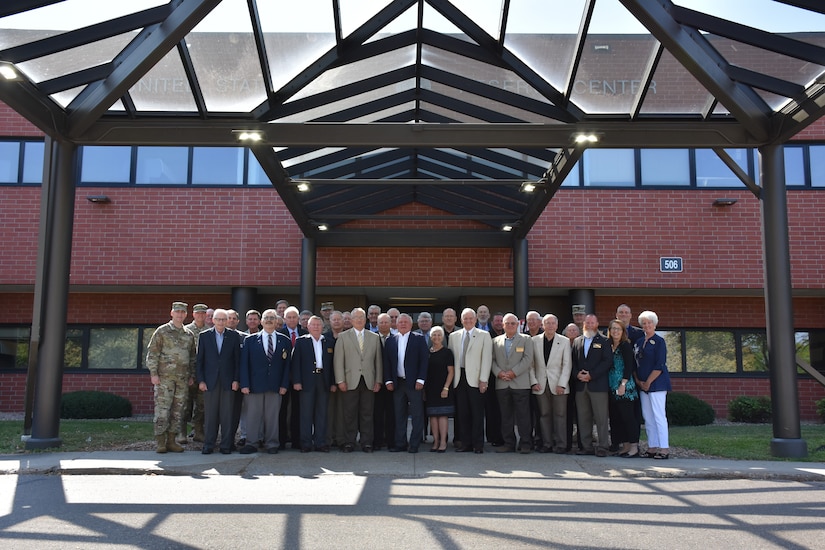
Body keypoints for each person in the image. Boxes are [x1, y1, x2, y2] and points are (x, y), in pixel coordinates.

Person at [146, 301, 196, 453]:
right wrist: (153, 373)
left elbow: (192, 357)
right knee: (162, 409)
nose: (180, 314)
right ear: (172, 313)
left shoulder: (189, 334)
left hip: (182, 379)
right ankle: (160, 442)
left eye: (183, 312)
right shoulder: (162, 331)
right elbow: (152, 353)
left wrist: (191, 375)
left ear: (186, 315)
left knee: (178, 410)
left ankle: (172, 441)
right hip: (164, 378)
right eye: (177, 311)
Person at [239, 309, 291, 454]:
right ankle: (251, 443)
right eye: (266, 318)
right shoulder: (250, 340)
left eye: (272, 318)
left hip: (275, 386)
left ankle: (272, 444)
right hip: (254, 385)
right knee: (253, 416)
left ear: (277, 322)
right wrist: (244, 384)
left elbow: (287, 366)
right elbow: (244, 364)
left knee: (272, 417)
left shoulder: (284, 340)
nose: (269, 320)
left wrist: (284, 384)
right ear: (261, 321)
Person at [333, 307, 383, 452]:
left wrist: (378, 380)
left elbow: (377, 361)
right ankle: (349, 442)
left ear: (365, 319)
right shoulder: (343, 337)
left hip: (368, 380)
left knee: (367, 413)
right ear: (352, 320)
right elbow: (338, 361)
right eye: (356, 317)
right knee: (349, 413)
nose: (359, 320)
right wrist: (340, 380)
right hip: (349, 381)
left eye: (361, 317)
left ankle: (366, 442)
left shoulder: (374, 337)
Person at [195, 308, 241, 455]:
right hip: (210, 381)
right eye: (218, 319)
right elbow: (199, 361)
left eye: (223, 319)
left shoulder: (233, 336)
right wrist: (201, 380)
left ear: (227, 321)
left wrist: (236, 380)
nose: (221, 322)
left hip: (228, 382)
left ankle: (226, 445)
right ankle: (209, 445)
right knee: (211, 416)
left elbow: (237, 361)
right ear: (213, 320)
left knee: (227, 415)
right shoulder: (204, 336)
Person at [448, 308, 492, 453]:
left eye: (470, 318)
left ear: (475, 320)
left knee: (477, 413)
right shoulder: (454, 336)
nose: (468, 321)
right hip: (459, 378)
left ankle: (478, 445)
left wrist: (484, 380)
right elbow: (451, 359)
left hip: (476, 379)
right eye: (465, 318)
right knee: (463, 413)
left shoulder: (484, 335)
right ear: (461, 320)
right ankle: (466, 444)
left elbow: (486, 359)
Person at [384, 313, 430, 453]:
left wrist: (421, 379)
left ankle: (414, 444)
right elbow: (387, 362)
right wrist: (388, 380)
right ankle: (400, 443)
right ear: (396, 324)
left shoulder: (419, 339)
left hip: (414, 383)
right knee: (399, 414)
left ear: (411, 325)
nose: (403, 324)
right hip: (398, 383)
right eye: (400, 322)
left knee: (417, 414)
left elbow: (424, 361)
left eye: (406, 322)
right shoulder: (391, 340)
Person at [491, 313, 536, 454]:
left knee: (523, 416)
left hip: (520, 383)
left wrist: (513, 372)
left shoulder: (526, 339)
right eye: (507, 323)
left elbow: (528, 359)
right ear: (503, 325)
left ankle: (525, 444)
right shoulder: (495, 341)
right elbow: (491, 360)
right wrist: (499, 373)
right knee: (505, 416)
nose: (510, 325)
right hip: (502, 384)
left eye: (512, 323)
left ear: (517, 325)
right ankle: (508, 443)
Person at [572, 314, 613, 457]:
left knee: (601, 418)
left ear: (597, 324)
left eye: (592, 322)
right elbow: (573, 362)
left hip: (598, 386)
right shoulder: (577, 341)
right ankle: (586, 447)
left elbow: (607, 362)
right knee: (583, 418)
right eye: (587, 322)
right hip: (581, 386)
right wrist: (577, 374)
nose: (589, 324)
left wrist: (592, 375)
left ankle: (603, 446)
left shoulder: (604, 341)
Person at [292, 316, 334, 452]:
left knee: (322, 413)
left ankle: (320, 442)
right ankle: (306, 443)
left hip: (323, 380)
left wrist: (332, 382)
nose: (316, 327)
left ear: (322, 327)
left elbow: (333, 365)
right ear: (308, 327)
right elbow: (295, 363)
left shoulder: (329, 342)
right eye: (313, 325)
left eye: (318, 324)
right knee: (306, 413)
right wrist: (297, 381)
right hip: (306, 381)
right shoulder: (301, 342)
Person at [532, 314, 572, 454]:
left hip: (558, 384)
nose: (550, 325)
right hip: (540, 384)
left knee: (560, 415)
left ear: (557, 325)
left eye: (552, 323)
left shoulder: (565, 341)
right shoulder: (534, 341)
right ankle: (547, 443)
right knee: (544, 415)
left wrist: (562, 383)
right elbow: (531, 365)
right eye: (547, 323)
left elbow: (567, 365)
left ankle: (561, 445)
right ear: (542, 325)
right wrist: (533, 382)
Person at [635, 310, 672, 459]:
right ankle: (652, 447)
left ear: (654, 324)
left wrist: (649, 381)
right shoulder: (638, 342)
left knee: (659, 416)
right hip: (642, 385)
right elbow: (635, 364)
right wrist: (639, 382)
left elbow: (660, 364)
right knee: (648, 417)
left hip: (657, 384)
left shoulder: (659, 341)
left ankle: (664, 448)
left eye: (649, 323)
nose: (646, 325)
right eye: (644, 323)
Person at [606, 318, 641, 458]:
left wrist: (623, 384)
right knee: (617, 418)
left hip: (625, 387)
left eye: (618, 329)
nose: (615, 331)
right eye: (613, 328)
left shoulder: (625, 345)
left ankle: (634, 447)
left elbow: (629, 366)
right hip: (611, 386)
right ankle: (625, 446)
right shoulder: (608, 345)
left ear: (623, 331)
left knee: (628, 417)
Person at [278, 306, 307, 449]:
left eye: (294, 317)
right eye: (288, 317)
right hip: (283, 378)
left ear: (298, 319)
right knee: (282, 410)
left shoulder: (305, 333)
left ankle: (297, 440)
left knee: (298, 410)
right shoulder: (279, 334)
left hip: (300, 379)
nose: (291, 320)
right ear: (284, 319)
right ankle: (281, 441)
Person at [424, 326, 454, 452]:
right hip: (430, 389)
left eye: (439, 335)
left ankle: (443, 442)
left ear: (442, 337)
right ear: (430, 337)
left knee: (442, 415)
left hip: (443, 388)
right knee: (433, 416)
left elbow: (451, 372)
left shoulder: (447, 352)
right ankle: (435, 441)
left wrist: (446, 388)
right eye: (434, 335)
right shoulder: (427, 352)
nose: (436, 337)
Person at [183, 303, 210, 443]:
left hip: (203, 375)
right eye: (198, 313)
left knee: (202, 405)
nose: (200, 316)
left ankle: (198, 431)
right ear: (193, 314)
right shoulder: (186, 330)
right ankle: (181, 433)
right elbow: (183, 355)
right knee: (185, 405)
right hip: (188, 374)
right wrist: (188, 375)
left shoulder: (209, 331)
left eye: (203, 313)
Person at [373, 313, 395, 450]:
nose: (384, 325)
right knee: (377, 413)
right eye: (381, 323)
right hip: (376, 382)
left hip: (393, 382)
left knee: (392, 413)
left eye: (386, 322)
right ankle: (378, 440)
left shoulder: (396, 338)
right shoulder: (372, 338)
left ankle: (391, 440)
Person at [562, 322, 582, 453]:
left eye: (575, 330)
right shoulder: (562, 344)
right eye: (570, 330)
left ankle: (582, 443)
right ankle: (566, 443)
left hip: (580, 383)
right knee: (566, 414)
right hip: (564, 383)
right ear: (565, 333)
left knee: (581, 414)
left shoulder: (581, 344)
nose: (572, 332)